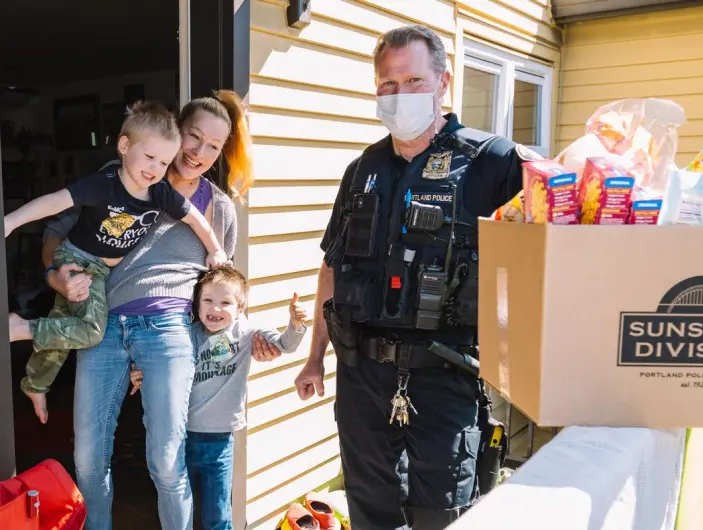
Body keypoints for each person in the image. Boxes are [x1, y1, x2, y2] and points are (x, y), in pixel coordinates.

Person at [294, 25, 531, 530]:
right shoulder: (363, 169)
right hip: (361, 378)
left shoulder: (492, 161)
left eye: (414, 80)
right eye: (387, 84)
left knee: (441, 515)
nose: (400, 95)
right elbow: (332, 267)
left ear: (443, 82)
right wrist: (315, 357)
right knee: (369, 509)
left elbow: (556, 235)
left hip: (446, 376)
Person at [41, 90, 274, 530]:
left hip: (167, 332)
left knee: (167, 463)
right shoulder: (124, 178)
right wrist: (58, 276)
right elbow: (56, 230)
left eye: (214, 147)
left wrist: (240, 338)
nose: (200, 153)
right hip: (105, 324)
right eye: (193, 137)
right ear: (173, 133)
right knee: (88, 458)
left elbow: (218, 292)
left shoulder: (219, 209)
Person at [5, 102, 228, 425]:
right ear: (124, 146)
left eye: (163, 162)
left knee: (63, 328)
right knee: (90, 331)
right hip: (79, 260)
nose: (154, 168)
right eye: (149, 157)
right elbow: (54, 202)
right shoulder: (104, 183)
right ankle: (20, 327)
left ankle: (36, 383)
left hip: (100, 270)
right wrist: (10, 222)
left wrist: (215, 250)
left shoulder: (158, 191)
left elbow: (195, 219)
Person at [129, 266, 308, 530]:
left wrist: (295, 324)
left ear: (241, 307)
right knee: (180, 509)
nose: (215, 308)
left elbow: (286, 345)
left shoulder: (247, 333)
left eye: (226, 302)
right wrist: (139, 373)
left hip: (219, 442)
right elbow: (160, 366)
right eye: (208, 300)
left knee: (218, 515)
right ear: (197, 303)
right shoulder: (186, 335)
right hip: (181, 437)